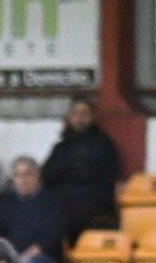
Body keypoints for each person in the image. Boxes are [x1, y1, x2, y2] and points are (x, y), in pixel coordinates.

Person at [39, 97, 120, 243]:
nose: (80, 118)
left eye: (84, 113)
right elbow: (47, 175)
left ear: (92, 117)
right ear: (69, 117)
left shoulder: (103, 145)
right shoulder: (61, 147)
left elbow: (106, 177)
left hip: (92, 202)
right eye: (75, 113)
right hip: (60, 200)